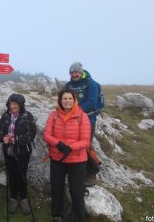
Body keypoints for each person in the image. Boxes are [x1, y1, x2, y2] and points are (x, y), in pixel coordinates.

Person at [43, 89, 91, 222]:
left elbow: (86, 140)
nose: (67, 101)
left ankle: (79, 218)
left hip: (77, 160)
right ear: (60, 100)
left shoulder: (82, 116)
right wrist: (58, 144)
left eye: (70, 98)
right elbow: (46, 135)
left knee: (76, 192)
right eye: (65, 98)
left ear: (74, 100)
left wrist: (70, 147)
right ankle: (56, 215)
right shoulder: (53, 115)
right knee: (56, 188)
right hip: (57, 158)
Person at [0, 93, 36, 216]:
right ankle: (13, 198)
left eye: (15, 104)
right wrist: (3, 138)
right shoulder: (6, 116)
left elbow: (32, 133)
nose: (12, 106)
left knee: (21, 177)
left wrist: (17, 140)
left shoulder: (27, 116)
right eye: (11, 104)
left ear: (20, 105)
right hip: (8, 152)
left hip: (22, 153)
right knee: (11, 176)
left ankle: (23, 199)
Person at [65, 61, 100, 185]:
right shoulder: (68, 85)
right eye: (72, 72)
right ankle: (80, 171)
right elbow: (63, 101)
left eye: (76, 72)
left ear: (81, 72)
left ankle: (92, 172)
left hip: (88, 120)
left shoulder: (90, 84)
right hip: (72, 121)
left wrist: (75, 111)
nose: (74, 74)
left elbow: (92, 102)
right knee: (75, 145)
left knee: (85, 145)